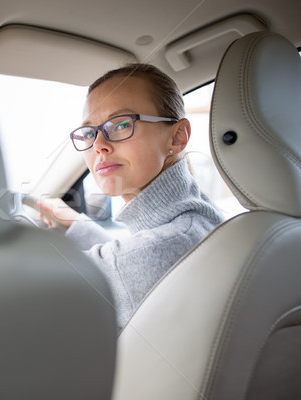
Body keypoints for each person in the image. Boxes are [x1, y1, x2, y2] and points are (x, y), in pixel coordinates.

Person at [37, 63, 224, 329]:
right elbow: (135, 257)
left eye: (121, 124)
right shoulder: (196, 220)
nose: (99, 145)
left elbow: (26, 294)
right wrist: (78, 226)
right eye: (90, 132)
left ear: (177, 137)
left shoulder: (168, 245)